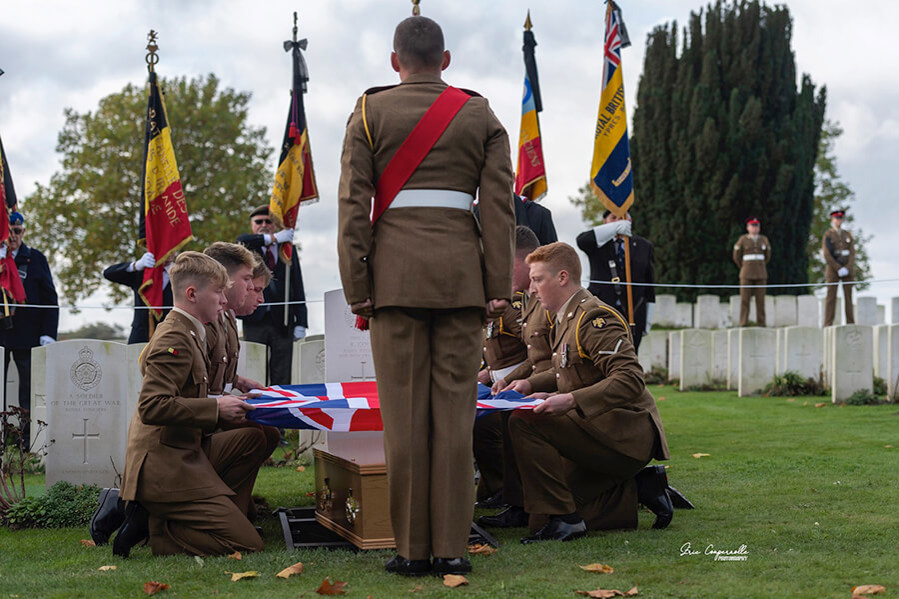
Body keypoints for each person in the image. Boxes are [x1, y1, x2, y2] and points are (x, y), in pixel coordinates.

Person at [337, 15, 515, 576]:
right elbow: (498, 209)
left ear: (396, 61)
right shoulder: (480, 113)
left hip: (394, 284)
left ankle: (412, 550)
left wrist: (358, 288)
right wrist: (496, 289)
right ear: (447, 59)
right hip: (462, 283)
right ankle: (453, 548)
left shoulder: (369, 112)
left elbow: (352, 210)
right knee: (456, 419)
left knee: (405, 421)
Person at [503, 242, 671, 543]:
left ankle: (566, 520)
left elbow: (630, 379)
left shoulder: (594, 318)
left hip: (624, 434)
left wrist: (569, 400)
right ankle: (640, 487)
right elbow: (566, 373)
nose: (532, 287)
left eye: (538, 279)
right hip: (596, 428)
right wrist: (533, 386)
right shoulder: (565, 317)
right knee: (538, 519)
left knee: (523, 421)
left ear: (562, 277)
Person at [109, 251, 268, 558]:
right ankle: (160, 530)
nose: (223, 300)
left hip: (185, 450)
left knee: (252, 437)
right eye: (218, 292)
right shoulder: (175, 336)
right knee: (248, 544)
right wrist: (218, 408)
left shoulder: (192, 330)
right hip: (164, 466)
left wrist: (229, 399)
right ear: (192, 294)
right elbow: (152, 406)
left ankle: (213, 515)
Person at [473, 226, 535, 511]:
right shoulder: (501, 297)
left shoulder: (515, 303)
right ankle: (499, 488)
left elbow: (534, 346)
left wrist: (504, 378)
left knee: (485, 423)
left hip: (525, 384)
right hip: (501, 383)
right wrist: (486, 373)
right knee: (474, 418)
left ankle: (508, 491)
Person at [0, 211, 58, 448]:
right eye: (8, 231)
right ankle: (2, 439)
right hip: (1, 336)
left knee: (28, 391)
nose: (12, 236)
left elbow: (49, 297)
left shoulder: (35, 258)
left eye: (17, 231)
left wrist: (48, 333)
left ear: (23, 231)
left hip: (28, 335)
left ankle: (26, 441)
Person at [236, 205, 308, 385]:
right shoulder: (248, 247)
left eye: (268, 221)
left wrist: (301, 321)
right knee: (254, 370)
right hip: (255, 318)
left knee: (282, 372)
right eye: (258, 221)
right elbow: (241, 240)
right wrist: (271, 238)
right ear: (252, 224)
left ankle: (281, 407)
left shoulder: (286, 249)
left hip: (282, 320)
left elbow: (297, 284)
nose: (264, 224)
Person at [576, 210, 655, 351]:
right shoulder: (598, 244)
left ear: (629, 222)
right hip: (602, 308)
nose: (618, 221)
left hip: (634, 310)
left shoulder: (644, 245)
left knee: (630, 355)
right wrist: (613, 229)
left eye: (622, 218)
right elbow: (582, 240)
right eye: (613, 218)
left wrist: (648, 316)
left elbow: (649, 283)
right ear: (605, 222)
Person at [102, 251, 173, 343]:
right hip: (141, 334)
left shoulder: (182, 273)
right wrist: (135, 265)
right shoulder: (141, 273)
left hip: (170, 335)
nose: (169, 252)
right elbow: (109, 273)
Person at [732, 217, 771, 327]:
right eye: (753, 226)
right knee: (745, 300)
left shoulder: (764, 239)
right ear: (748, 227)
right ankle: (743, 322)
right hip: (746, 273)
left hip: (760, 273)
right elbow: (736, 256)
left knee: (760, 300)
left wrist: (761, 266)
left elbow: (767, 256)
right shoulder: (743, 239)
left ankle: (761, 323)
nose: (755, 228)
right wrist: (743, 267)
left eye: (757, 226)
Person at [822, 208, 855, 326]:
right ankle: (828, 324)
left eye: (840, 218)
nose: (838, 221)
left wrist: (847, 267)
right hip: (833, 270)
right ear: (832, 219)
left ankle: (850, 323)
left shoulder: (847, 234)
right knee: (831, 298)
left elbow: (852, 253)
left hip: (847, 268)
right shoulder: (828, 235)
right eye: (836, 218)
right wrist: (838, 268)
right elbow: (827, 254)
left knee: (848, 298)